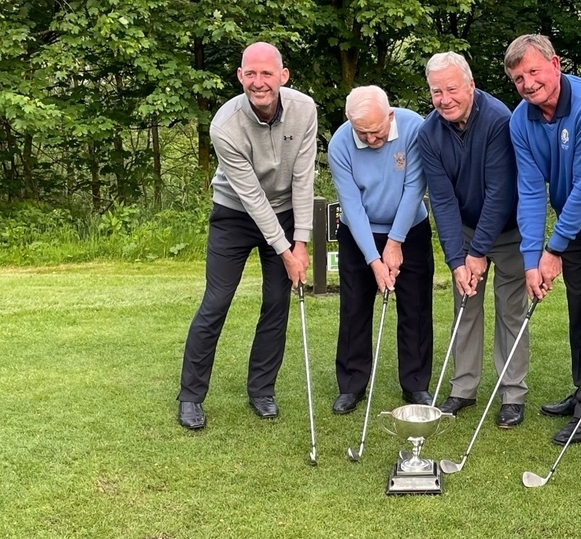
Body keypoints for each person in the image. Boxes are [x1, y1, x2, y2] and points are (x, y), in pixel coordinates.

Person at [177, 42, 317, 430]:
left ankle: (261, 391)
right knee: (216, 301)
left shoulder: (304, 109)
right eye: (250, 74)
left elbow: (304, 179)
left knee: (277, 302)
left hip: (286, 211)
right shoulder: (224, 124)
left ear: (282, 76)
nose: (258, 82)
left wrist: (301, 243)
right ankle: (190, 396)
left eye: (266, 73)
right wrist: (285, 251)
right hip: (235, 213)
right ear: (240, 76)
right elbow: (253, 198)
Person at [504, 35, 581, 445]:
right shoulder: (520, 120)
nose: (527, 83)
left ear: (555, 64)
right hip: (573, 231)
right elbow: (529, 191)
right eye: (518, 77)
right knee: (579, 314)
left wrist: (553, 248)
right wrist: (531, 258)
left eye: (534, 71)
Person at [418, 52, 530, 428]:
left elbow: (500, 192)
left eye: (452, 89)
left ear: (470, 85)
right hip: (465, 229)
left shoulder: (499, 119)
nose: (444, 98)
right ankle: (463, 388)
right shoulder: (428, 133)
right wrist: (456, 259)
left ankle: (513, 393)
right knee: (465, 305)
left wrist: (479, 252)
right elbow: (443, 202)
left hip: (510, 230)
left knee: (511, 310)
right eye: (437, 92)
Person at [327, 85, 434, 414]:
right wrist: (374, 259)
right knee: (354, 308)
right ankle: (351, 384)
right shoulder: (340, 144)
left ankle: (415, 383)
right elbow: (351, 207)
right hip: (359, 232)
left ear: (390, 115)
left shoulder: (414, 126)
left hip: (410, 230)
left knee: (415, 308)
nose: (372, 140)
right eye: (364, 133)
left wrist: (395, 242)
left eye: (377, 132)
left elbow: (415, 187)